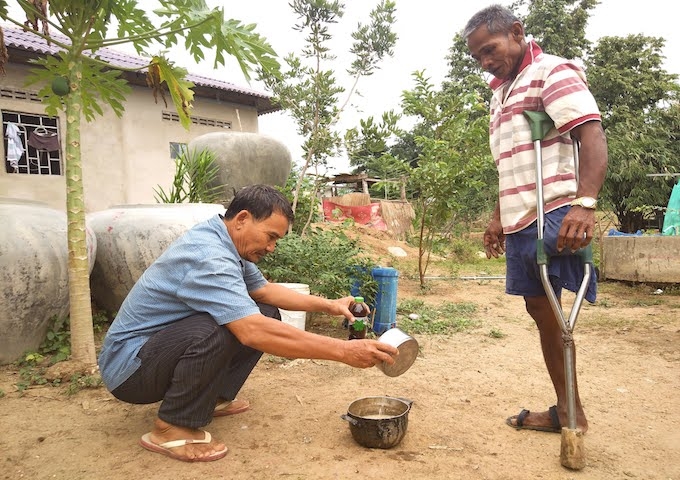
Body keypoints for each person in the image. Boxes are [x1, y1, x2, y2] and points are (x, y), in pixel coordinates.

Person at [98, 184, 398, 462]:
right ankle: (171, 427)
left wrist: (330, 305)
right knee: (221, 328)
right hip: (130, 371)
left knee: (265, 309)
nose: (272, 248)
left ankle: (211, 398)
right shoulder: (209, 256)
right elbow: (252, 331)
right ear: (242, 218)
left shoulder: (228, 242)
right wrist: (343, 352)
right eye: (271, 236)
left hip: (155, 353)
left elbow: (265, 291)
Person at [463, 5, 608, 434]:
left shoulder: (552, 72)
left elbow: (590, 134)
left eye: (490, 50)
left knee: (554, 316)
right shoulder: (499, 93)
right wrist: (497, 218)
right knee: (539, 310)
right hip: (520, 216)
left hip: (556, 210)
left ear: (517, 32)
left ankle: (572, 413)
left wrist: (586, 204)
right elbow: (507, 165)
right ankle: (568, 410)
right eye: (478, 58)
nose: (486, 62)